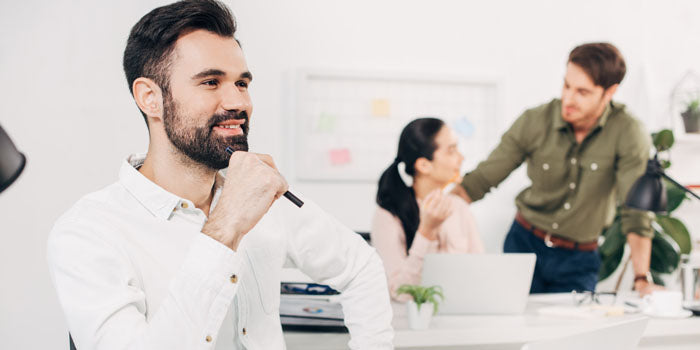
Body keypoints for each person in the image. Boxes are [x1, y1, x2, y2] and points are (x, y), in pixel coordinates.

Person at [46, 1, 393, 349]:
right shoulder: (88, 232)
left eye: (242, 83)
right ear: (150, 98)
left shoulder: (265, 197)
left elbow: (361, 266)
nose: (237, 102)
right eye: (211, 82)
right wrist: (226, 225)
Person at [452, 43, 662, 295]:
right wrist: (432, 214)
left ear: (610, 92)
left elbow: (635, 211)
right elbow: (481, 180)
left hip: (579, 260)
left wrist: (641, 279)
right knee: (513, 330)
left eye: (582, 92)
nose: (569, 99)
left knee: (574, 333)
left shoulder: (629, 133)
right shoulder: (534, 121)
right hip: (523, 247)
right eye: (566, 86)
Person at [371, 118, 484, 300]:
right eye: (451, 151)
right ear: (424, 165)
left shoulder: (460, 208)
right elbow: (402, 293)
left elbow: (481, 276)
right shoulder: (387, 215)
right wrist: (427, 232)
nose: (461, 158)